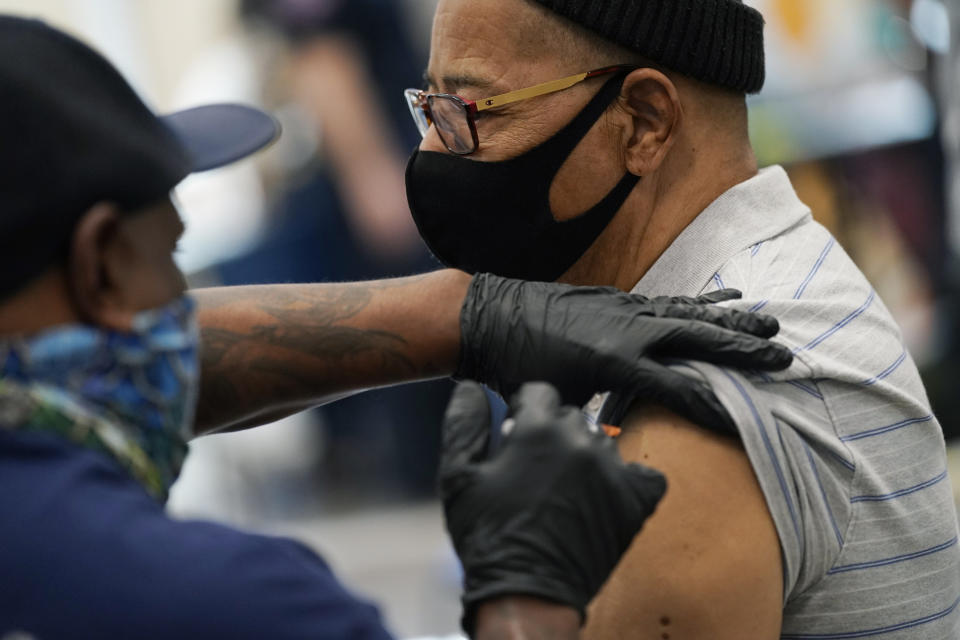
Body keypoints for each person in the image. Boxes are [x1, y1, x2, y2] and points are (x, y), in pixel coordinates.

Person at [0, 15, 792, 639]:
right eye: (168, 256)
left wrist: (464, 318)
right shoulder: (228, 608)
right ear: (101, 263)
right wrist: (524, 599)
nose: (183, 306)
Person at [402, 0, 960, 637]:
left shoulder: (707, 384)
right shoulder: (741, 286)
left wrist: (512, 600)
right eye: (429, 106)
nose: (432, 148)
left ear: (644, 122)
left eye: (467, 112)